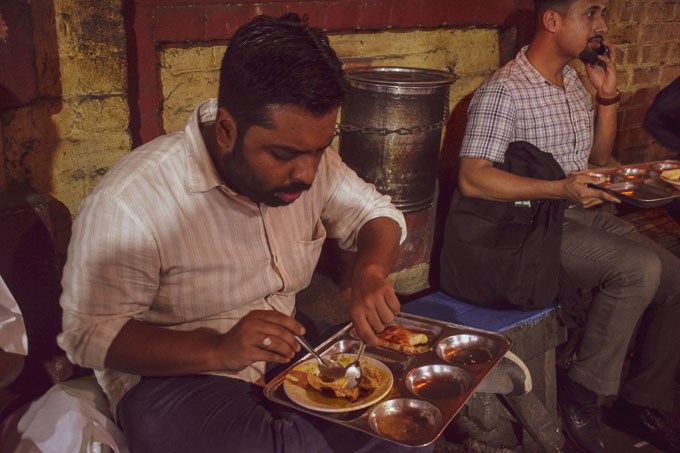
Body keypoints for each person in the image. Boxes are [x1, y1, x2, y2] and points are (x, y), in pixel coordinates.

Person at [58, 14, 427, 453]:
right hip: (174, 375)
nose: (307, 173)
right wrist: (218, 348)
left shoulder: (308, 159)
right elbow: (87, 335)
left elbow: (377, 213)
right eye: (284, 154)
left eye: (319, 150)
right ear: (228, 129)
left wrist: (369, 271)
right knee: (295, 446)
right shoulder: (132, 201)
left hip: (286, 344)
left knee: (397, 418)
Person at [441, 1, 680, 452]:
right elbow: (472, 178)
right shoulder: (505, 90)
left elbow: (600, 160)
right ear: (553, 21)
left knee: (674, 277)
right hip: (528, 226)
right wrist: (560, 190)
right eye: (591, 13)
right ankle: (582, 392)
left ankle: (641, 400)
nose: (603, 25)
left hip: (578, 214)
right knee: (637, 269)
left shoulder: (572, 80)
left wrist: (606, 97)